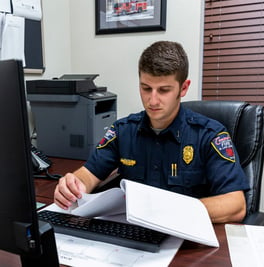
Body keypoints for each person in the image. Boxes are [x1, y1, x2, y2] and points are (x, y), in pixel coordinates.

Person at [53, 41, 249, 223]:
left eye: (163, 90)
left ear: (184, 88)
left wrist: (173, 210)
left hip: (184, 237)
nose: (152, 101)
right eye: (146, 88)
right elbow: (90, 174)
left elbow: (236, 205)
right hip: (134, 236)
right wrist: (73, 185)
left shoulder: (209, 135)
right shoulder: (123, 131)